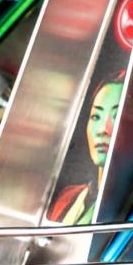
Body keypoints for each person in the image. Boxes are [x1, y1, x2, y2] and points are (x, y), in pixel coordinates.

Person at [47, 73, 123, 227]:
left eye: (116, 116)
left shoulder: (132, 205)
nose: (102, 130)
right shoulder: (68, 197)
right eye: (96, 117)